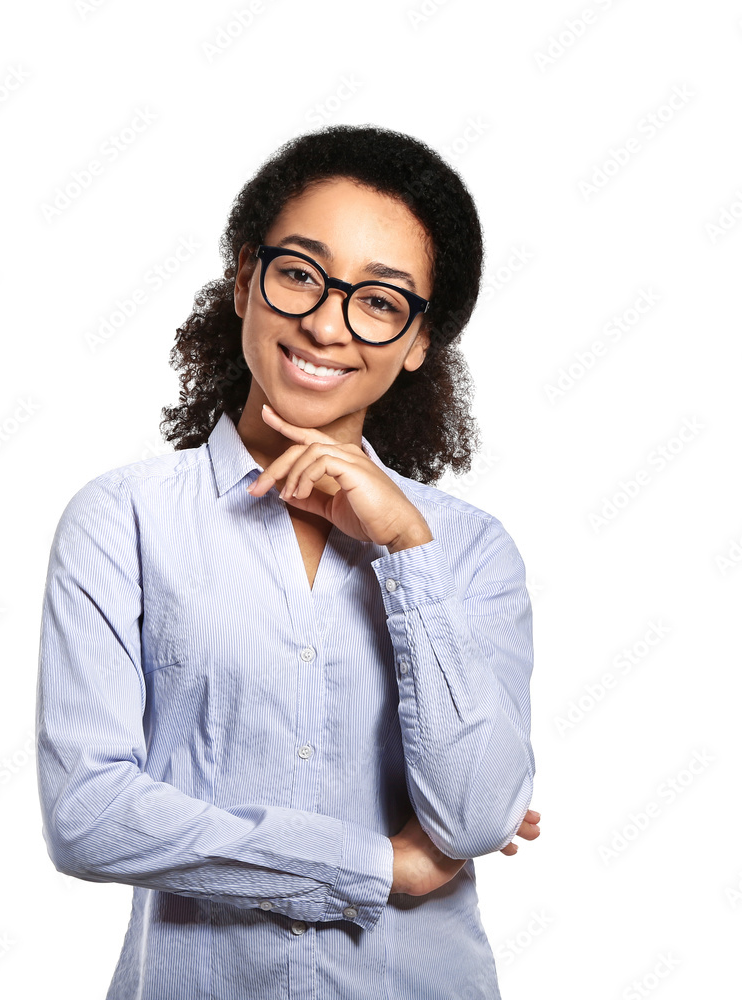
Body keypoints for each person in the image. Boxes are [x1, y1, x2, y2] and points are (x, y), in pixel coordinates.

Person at [36, 123, 541, 999]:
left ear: (419, 342)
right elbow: (88, 815)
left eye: (380, 301)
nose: (325, 322)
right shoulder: (125, 520)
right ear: (245, 281)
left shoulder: (468, 548)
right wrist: (372, 867)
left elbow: (476, 816)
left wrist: (403, 547)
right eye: (300, 274)